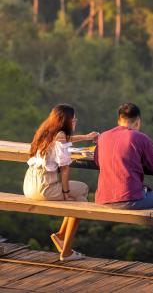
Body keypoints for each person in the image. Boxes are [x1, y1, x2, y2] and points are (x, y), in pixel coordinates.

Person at [23, 104, 98, 261]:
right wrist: (65, 193)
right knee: (83, 192)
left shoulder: (46, 131)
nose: (75, 121)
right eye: (74, 119)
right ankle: (65, 248)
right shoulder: (61, 136)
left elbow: (65, 140)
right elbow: (64, 169)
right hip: (44, 188)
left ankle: (63, 238)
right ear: (66, 120)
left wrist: (86, 137)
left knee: (80, 199)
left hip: (29, 185)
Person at [94, 102, 153, 210]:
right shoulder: (140, 138)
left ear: (119, 121)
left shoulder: (103, 137)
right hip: (128, 199)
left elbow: (98, 162)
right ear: (138, 122)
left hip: (102, 199)